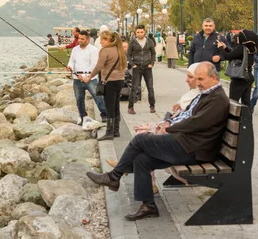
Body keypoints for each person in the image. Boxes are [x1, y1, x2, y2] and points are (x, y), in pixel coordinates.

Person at [86, 62, 230, 221]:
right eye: (197, 78)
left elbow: (197, 122)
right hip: (188, 143)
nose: (198, 82)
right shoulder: (208, 93)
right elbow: (190, 117)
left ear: (214, 78)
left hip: (195, 149)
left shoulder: (217, 98)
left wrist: (169, 128)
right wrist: (170, 122)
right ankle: (148, 206)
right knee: (142, 160)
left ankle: (114, 176)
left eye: (201, 79)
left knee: (141, 139)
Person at [85, 31, 127, 141]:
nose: (101, 42)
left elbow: (99, 66)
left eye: (103, 40)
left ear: (108, 40)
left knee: (109, 107)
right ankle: (116, 130)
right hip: (120, 81)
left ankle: (109, 132)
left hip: (110, 82)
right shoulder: (120, 50)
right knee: (116, 106)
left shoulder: (105, 51)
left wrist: (89, 77)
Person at [66, 30, 108, 124]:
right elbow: (72, 61)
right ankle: (83, 117)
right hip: (77, 79)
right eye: (79, 38)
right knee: (79, 99)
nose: (80, 40)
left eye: (82, 39)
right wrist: (70, 66)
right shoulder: (75, 49)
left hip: (90, 79)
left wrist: (85, 76)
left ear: (88, 39)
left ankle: (105, 114)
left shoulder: (93, 50)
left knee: (97, 97)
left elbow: (93, 65)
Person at [217, 29, 258, 108]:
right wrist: (226, 48)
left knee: (233, 102)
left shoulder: (241, 48)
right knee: (246, 103)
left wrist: (220, 48)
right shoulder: (251, 48)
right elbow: (235, 54)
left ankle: (234, 120)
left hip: (239, 78)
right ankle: (247, 119)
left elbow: (227, 56)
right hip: (248, 76)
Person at [127, 25, 156, 115]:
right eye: (138, 32)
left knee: (150, 88)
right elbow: (128, 54)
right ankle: (130, 107)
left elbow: (153, 53)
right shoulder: (133, 42)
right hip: (137, 67)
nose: (139, 34)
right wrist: (132, 64)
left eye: (141, 32)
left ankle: (152, 106)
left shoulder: (149, 41)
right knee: (134, 88)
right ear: (135, 33)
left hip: (147, 67)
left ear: (145, 32)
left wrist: (152, 63)